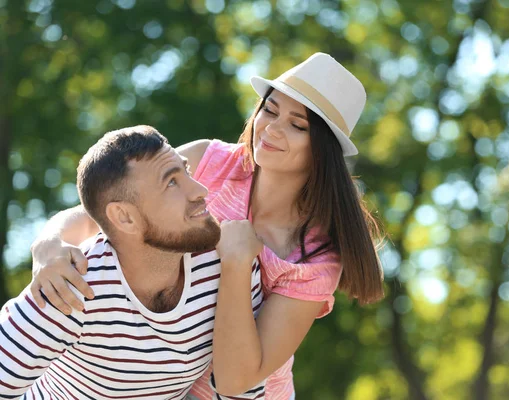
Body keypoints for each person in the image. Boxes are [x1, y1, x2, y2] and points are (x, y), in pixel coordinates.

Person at [28, 53, 385, 399]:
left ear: (322, 149)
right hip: (164, 385)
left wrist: (236, 262)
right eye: (270, 110)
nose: (272, 129)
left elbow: (234, 379)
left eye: (297, 125)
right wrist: (48, 245)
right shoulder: (208, 162)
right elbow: (102, 213)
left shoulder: (315, 259)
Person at [0, 126, 264, 399]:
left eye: (185, 171)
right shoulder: (71, 287)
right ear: (125, 218)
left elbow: (241, 392)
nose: (200, 190)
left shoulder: (231, 263)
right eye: (172, 182)